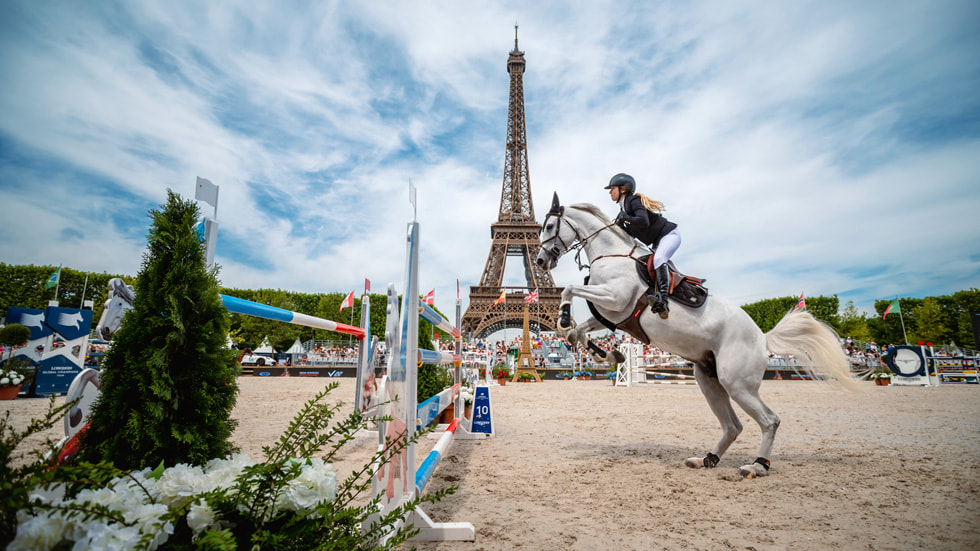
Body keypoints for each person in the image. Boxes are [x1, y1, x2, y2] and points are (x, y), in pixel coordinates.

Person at [605, 172, 681, 318]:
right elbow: (632, 233)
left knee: (659, 260)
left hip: (669, 235)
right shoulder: (623, 208)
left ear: (623, 189)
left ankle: (662, 301)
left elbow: (643, 221)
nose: (610, 192)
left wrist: (625, 218)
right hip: (658, 242)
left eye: (612, 188)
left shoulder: (633, 201)